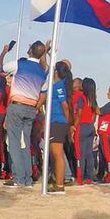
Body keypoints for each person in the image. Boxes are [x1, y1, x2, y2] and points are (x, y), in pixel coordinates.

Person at [2, 40, 50, 188]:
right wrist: (36, 107)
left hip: (17, 107)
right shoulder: (43, 72)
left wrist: (4, 51)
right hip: (31, 109)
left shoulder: (20, 64)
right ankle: (27, 178)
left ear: (29, 50)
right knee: (25, 143)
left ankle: (19, 178)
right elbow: (43, 93)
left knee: (15, 143)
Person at [47, 61, 72, 195]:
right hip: (53, 122)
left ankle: (60, 185)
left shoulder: (59, 86)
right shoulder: (55, 85)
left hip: (57, 121)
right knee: (55, 153)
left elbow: (65, 106)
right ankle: (58, 182)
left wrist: (66, 123)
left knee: (57, 154)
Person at [72, 76, 98, 185]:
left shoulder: (81, 98)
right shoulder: (93, 100)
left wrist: (74, 126)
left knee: (80, 154)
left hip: (81, 126)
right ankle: (89, 177)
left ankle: (80, 177)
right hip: (90, 126)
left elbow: (79, 113)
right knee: (89, 154)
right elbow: (94, 115)